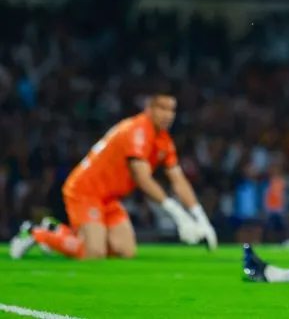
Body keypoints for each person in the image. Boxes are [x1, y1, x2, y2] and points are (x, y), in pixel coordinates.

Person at [9, 90, 217, 260]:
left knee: (125, 251)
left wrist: (201, 219)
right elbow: (141, 178)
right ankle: (37, 233)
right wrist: (179, 216)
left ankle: (58, 232)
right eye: (162, 108)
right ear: (149, 108)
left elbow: (178, 179)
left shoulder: (163, 139)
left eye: (172, 110)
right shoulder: (137, 131)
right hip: (86, 191)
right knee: (93, 253)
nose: (168, 115)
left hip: (108, 198)